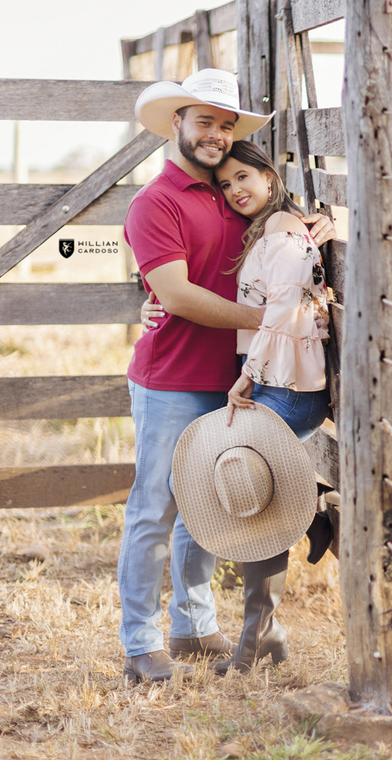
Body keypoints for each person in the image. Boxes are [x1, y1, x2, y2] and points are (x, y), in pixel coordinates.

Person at [121, 68, 334, 684]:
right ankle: (140, 642)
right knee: (156, 507)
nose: (216, 134)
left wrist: (325, 222)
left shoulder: (235, 193)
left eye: (225, 124)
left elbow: (279, 248)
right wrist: (272, 320)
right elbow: (178, 294)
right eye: (204, 122)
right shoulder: (155, 201)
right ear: (177, 124)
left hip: (240, 377)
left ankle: (193, 624)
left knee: (209, 501)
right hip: (173, 377)